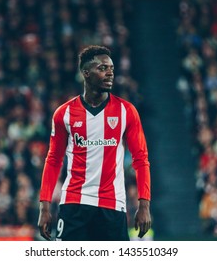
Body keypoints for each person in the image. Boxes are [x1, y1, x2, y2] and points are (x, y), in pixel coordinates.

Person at [37, 45, 151, 241]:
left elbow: (141, 159)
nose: (109, 73)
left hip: (113, 205)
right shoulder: (64, 114)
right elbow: (54, 160)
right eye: (103, 68)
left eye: (111, 69)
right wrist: (44, 206)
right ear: (86, 73)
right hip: (74, 203)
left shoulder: (127, 111)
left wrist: (144, 205)